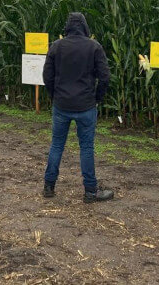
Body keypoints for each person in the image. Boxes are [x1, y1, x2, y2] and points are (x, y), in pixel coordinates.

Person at [42, 12, 114, 203]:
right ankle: (90, 191)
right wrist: (96, 98)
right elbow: (105, 77)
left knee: (57, 144)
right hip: (85, 106)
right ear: (84, 27)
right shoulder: (94, 47)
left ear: (67, 27)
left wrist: (54, 96)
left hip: (61, 105)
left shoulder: (56, 46)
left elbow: (46, 76)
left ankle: (49, 186)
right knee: (87, 147)